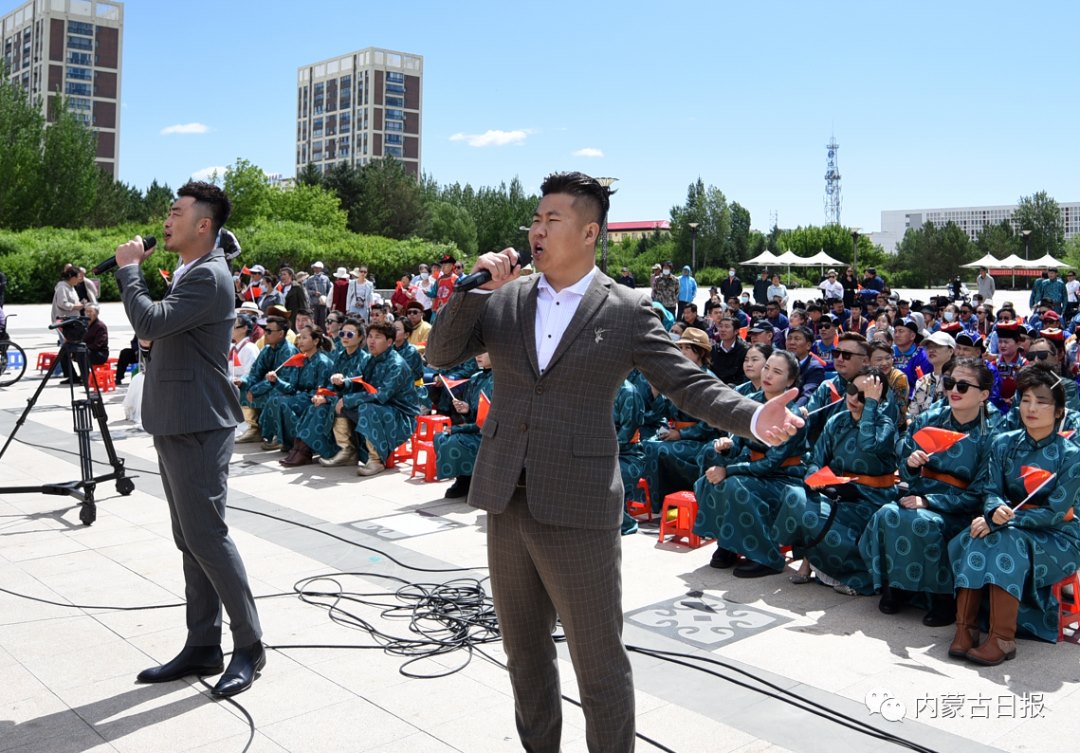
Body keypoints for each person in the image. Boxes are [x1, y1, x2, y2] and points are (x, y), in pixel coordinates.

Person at [424, 171, 802, 753]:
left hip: (578, 505)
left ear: (589, 232)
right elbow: (440, 352)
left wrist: (752, 417)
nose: (537, 231)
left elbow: (686, 382)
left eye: (552, 220)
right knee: (524, 656)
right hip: (506, 496)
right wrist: (472, 291)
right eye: (535, 220)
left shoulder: (626, 309)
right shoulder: (505, 299)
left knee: (597, 664)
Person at [113, 181, 263, 697]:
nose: (166, 219)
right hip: (176, 416)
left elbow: (149, 319)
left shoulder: (208, 275)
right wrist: (149, 337)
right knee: (190, 538)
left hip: (199, 420)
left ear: (204, 224)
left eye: (176, 212)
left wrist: (128, 270)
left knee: (208, 537)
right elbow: (155, 333)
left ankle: (250, 645)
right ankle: (202, 644)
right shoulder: (190, 271)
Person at [949, 366, 1080, 664]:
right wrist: (994, 510)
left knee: (1004, 539)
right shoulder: (1003, 443)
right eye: (1026, 400)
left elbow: (1056, 512)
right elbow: (991, 490)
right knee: (976, 534)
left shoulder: (1071, 455)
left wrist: (1000, 521)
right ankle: (965, 629)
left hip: (1057, 535)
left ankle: (1002, 638)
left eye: (1042, 402)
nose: (1031, 408)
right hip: (1007, 524)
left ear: (1059, 411)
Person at [860, 357, 999, 626]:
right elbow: (904, 462)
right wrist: (911, 464)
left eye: (963, 386)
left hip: (960, 507)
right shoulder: (929, 418)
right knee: (887, 513)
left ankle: (941, 597)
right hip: (918, 494)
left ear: (983, 395)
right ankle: (897, 586)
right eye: (949, 383)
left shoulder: (992, 433)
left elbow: (982, 492)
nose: (954, 390)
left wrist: (929, 501)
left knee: (923, 522)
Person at [779, 367, 897, 594]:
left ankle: (854, 576)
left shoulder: (885, 425)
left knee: (824, 518)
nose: (854, 398)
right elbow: (817, 459)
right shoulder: (837, 421)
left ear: (878, 400)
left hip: (871, 498)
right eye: (852, 390)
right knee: (795, 495)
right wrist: (813, 478)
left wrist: (871, 406)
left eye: (864, 396)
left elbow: (868, 444)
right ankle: (810, 560)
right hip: (838, 490)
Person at [694, 350, 806, 576]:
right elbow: (739, 443)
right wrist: (728, 446)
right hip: (753, 470)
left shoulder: (791, 415)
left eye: (777, 372)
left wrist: (728, 470)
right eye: (767, 368)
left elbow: (770, 464)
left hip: (783, 477)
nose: (768, 375)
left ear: (790, 381)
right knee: (708, 481)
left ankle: (766, 556)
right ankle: (728, 543)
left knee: (735, 486)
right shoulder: (752, 401)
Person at [260, 324, 335, 466]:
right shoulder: (300, 360)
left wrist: (314, 396)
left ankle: (301, 446)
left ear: (315, 341)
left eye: (304, 338)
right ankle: (291, 443)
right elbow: (292, 388)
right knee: (274, 400)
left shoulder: (323, 362)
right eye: (299, 338)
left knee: (282, 403)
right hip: (299, 397)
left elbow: (322, 389)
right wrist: (276, 380)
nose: (300, 341)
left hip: (312, 398)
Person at [435, 352, 494, 499]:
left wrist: (457, 428)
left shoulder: (501, 381)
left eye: (483, 352)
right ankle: (462, 479)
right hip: (475, 428)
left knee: (455, 441)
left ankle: (474, 482)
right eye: (477, 352)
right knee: (440, 437)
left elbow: (489, 419)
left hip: (491, 432)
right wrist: (466, 410)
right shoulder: (475, 378)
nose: (478, 355)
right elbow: (472, 416)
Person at [237, 316, 298, 443]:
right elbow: (255, 372)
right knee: (244, 386)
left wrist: (255, 389)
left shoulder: (289, 351)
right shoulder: (267, 349)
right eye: (265, 330)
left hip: (286, 388)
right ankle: (254, 429)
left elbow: (282, 380)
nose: (265, 334)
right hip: (269, 384)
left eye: (269, 331)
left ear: (281, 333)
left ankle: (278, 433)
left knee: (274, 395)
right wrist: (243, 380)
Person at [907, 330, 956, 419]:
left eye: (937, 346)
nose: (931, 350)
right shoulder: (922, 381)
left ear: (950, 351)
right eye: (928, 347)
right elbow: (911, 415)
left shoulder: (956, 381)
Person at [304, 261, 332, 328]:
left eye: (317, 268)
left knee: (323, 320)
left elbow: (329, 290)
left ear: (321, 269)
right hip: (314, 303)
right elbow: (306, 290)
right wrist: (314, 293)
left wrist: (326, 299)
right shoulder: (310, 279)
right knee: (314, 320)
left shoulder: (326, 278)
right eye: (315, 268)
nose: (315, 269)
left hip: (323, 303)